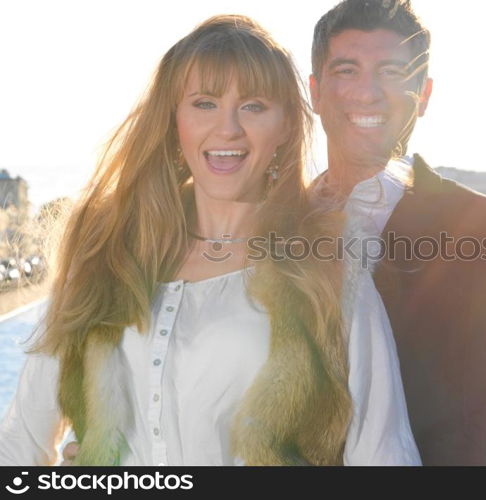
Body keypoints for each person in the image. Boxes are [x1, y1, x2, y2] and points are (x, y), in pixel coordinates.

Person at [0, 14, 420, 466]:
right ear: (173, 120)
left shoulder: (330, 269)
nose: (228, 129)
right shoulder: (103, 253)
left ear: (284, 127)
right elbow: (21, 442)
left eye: (253, 106)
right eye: (204, 103)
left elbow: (384, 454)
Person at [308, 0, 486, 465]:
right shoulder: (275, 226)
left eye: (392, 72)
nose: (368, 93)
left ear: (423, 94)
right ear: (315, 92)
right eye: (347, 70)